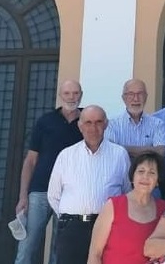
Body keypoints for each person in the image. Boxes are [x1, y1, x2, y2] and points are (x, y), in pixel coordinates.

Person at [47, 106, 130, 264]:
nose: (93, 128)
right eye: (88, 123)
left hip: (108, 229)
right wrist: (71, 219)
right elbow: (53, 195)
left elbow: (126, 192)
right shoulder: (66, 155)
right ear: (80, 125)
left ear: (106, 124)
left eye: (98, 122)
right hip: (73, 231)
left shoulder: (119, 154)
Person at [14, 79, 83, 264]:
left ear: (81, 95)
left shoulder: (86, 121)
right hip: (41, 190)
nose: (71, 97)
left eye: (75, 93)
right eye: (67, 93)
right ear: (60, 96)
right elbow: (31, 160)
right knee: (27, 245)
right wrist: (23, 196)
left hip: (70, 193)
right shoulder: (45, 121)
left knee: (60, 249)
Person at [87, 151, 165, 264]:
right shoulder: (113, 206)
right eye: (141, 171)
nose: (145, 177)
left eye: (152, 173)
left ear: (157, 181)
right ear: (132, 176)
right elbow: (95, 254)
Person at [106, 78, 165, 159]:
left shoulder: (157, 123)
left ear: (146, 97)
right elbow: (111, 151)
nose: (136, 99)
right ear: (123, 98)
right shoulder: (111, 124)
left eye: (140, 94)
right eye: (131, 94)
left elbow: (161, 151)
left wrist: (122, 148)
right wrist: (150, 150)